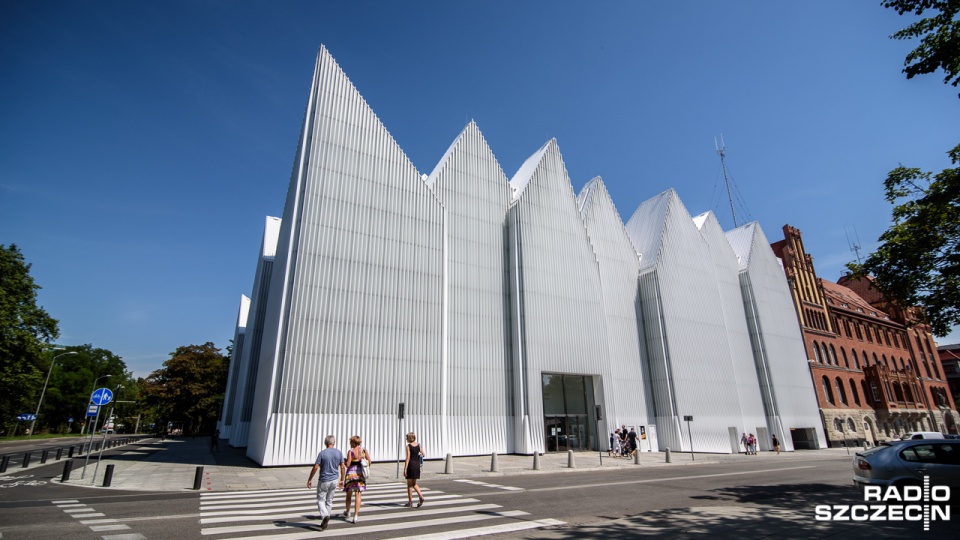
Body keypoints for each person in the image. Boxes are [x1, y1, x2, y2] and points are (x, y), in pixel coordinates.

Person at [307, 435, 344, 531]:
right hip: (334, 479)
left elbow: (315, 467)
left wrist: (310, 479)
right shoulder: (339, 453)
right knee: (329, 501)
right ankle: (325, 520)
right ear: (334, 442)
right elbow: (343, 467)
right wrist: (342, 480)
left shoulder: (322, 453)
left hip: (324, 479)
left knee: (320, 500)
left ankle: (325, 516)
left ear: (326, 443)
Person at [341, 435, 371, 523]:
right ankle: (356, 516)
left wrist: (345, 460)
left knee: (349, 494)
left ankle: (347, 511)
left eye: (351, 442)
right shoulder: (364, 450)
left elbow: (348, 464)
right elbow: (370, 461)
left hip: (351, 474)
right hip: (360, 474)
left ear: (354, 442)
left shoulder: (350, 451)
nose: (350, 443)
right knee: (358, 494)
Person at [403, 432, 425, 508]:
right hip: (417, 465)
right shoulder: (418, 445)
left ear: (409, 438)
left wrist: (405, 469)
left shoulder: (408, 446)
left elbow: (408, 458)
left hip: (411, 465)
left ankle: (410, 502)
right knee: (414, 483)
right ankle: (421, 495)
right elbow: (423, 454)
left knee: (409, 485)